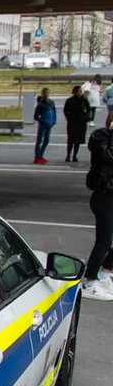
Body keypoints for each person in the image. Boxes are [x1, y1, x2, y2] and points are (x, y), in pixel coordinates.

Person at [83, 116, 113, 301]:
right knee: (104, 242)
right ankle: (90, 282)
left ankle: (105, 273)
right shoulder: (101, 138)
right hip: (104, 195)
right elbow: (108, 156)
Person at [64, 85, 93, 163]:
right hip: (72, 121)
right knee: (70, 139)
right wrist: (68, 118)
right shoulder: (69, 100)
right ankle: (68, 155)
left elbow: (89, 109)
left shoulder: (84, 100)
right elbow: (65, 110)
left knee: (78, 140)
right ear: (75, 92)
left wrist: (86, 116)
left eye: (81, 91)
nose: (81, 92)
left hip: (81, 122)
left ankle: (75, 155)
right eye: (79, 91)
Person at [33, 87, 57, 165]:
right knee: (39, 140)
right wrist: (43, 121)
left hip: (49, 124)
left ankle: (41, 155)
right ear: (42, 94)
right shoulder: (40, 104)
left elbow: (54, 112)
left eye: (47, 93)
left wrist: (54, 121)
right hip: (43, 125)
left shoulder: (51, 102)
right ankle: (37, 157)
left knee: (46, 141)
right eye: (44, 93)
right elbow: (36, 116)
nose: (46, 95)